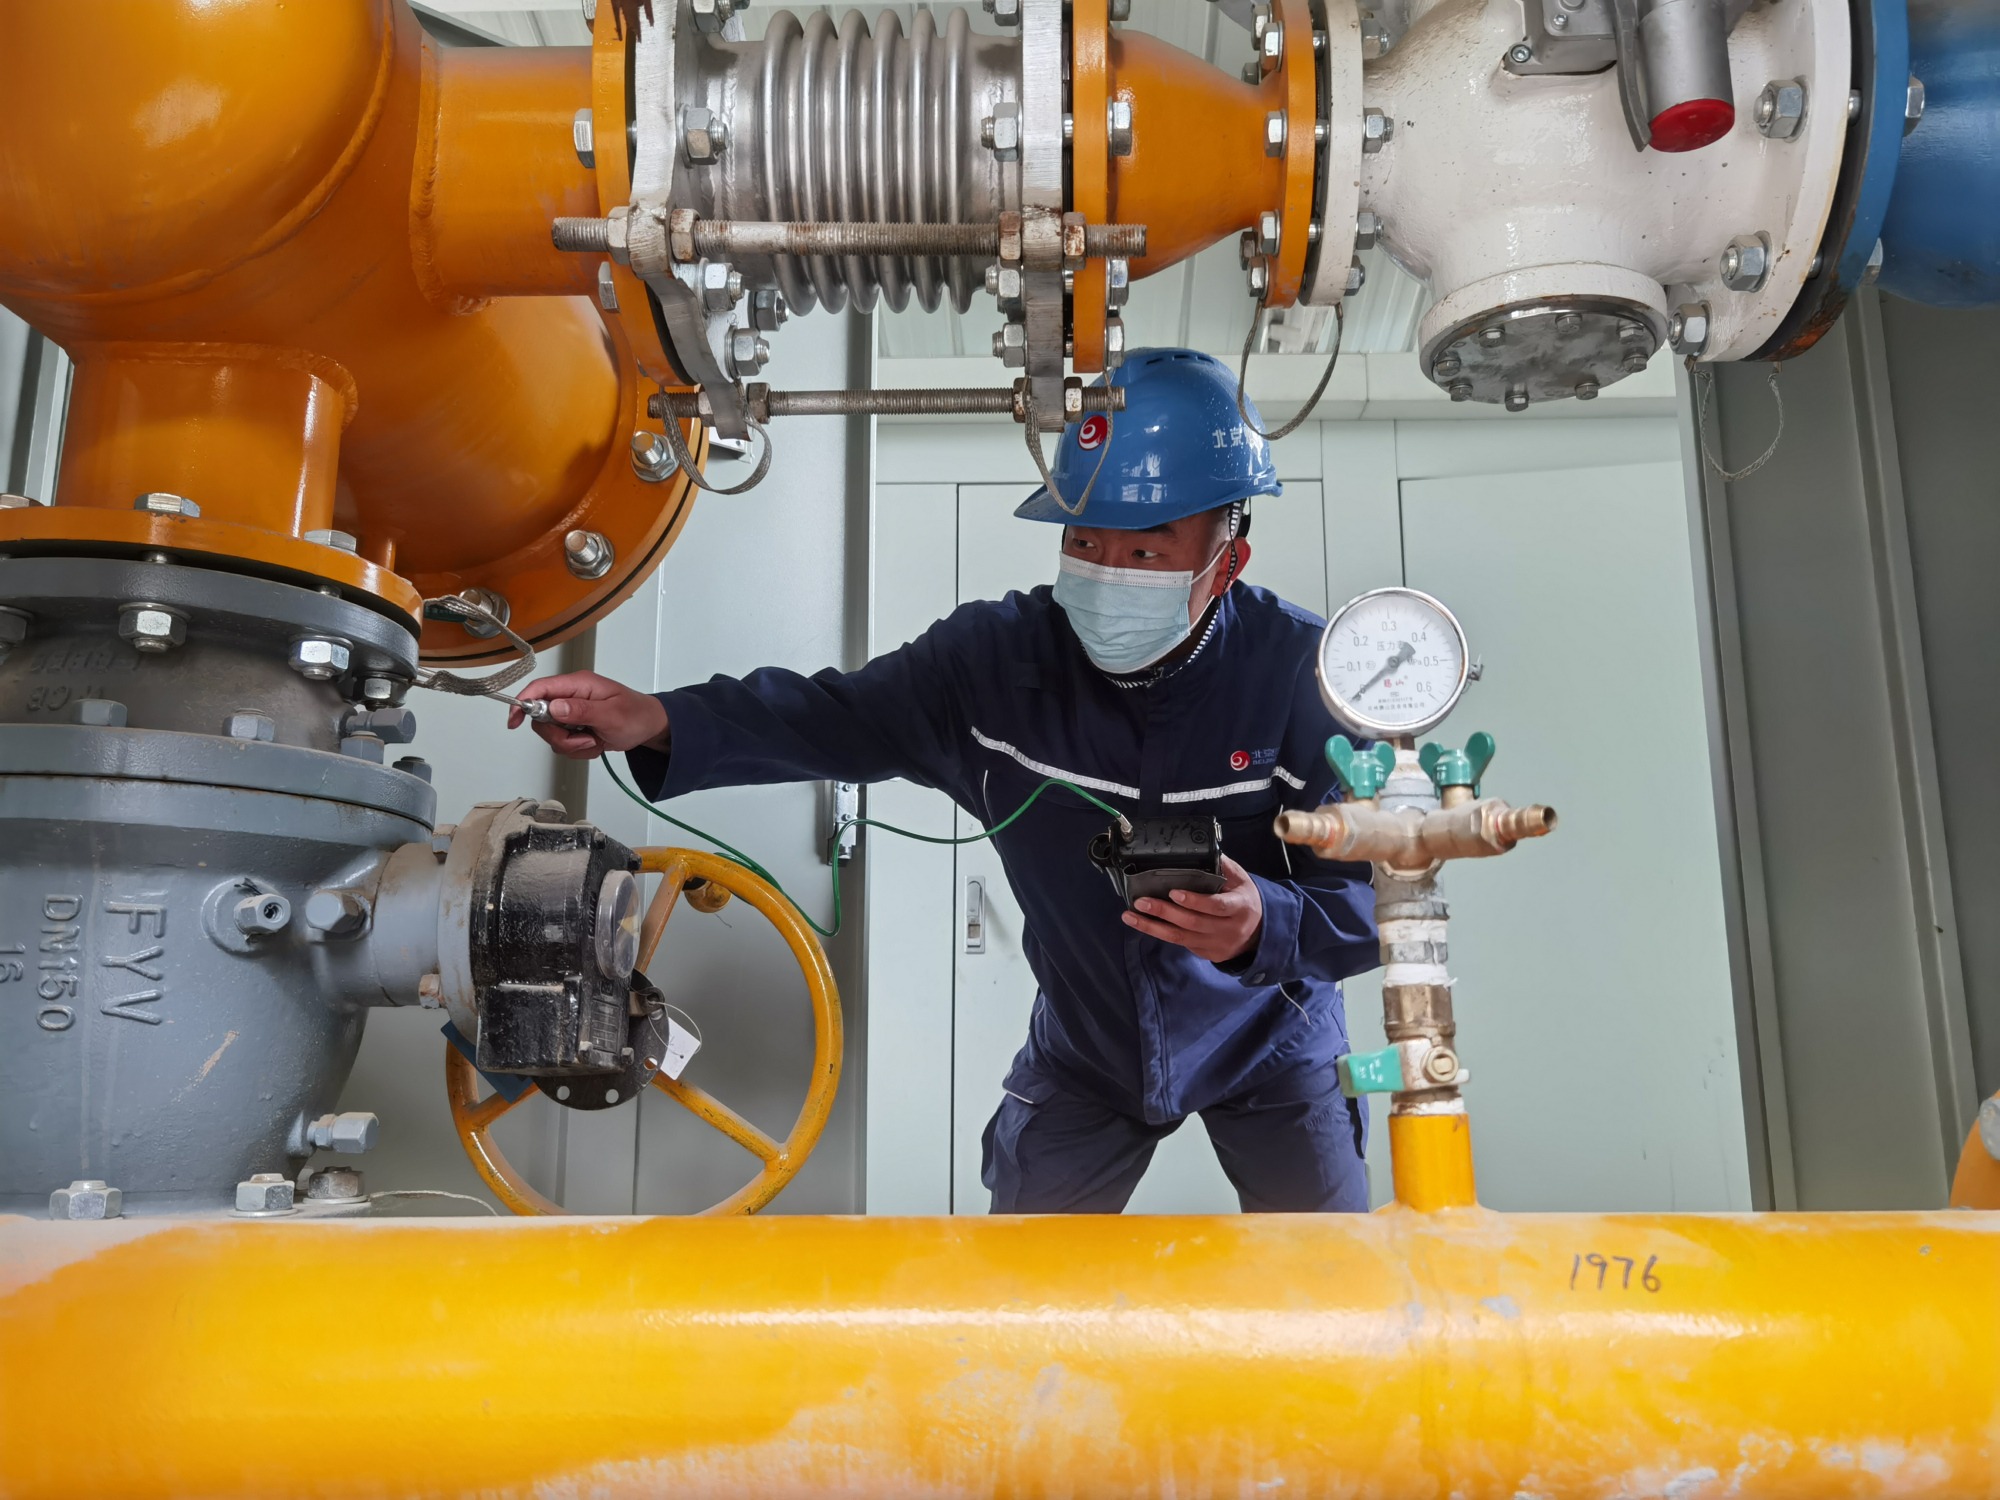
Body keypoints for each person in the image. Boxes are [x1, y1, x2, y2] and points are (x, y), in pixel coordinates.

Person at [510, 347, 1380, 1213]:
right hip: (1091, 1047)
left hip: (1273, 1039)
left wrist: (1264, 924)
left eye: (1145, 553)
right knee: (1019, 1279)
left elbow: (1376, 904)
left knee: (1330, 1272)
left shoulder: (1304, 678)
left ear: (1226, 564)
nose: (1107, 571)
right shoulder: (994, 662)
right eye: (1084, 541)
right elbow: (835, 715)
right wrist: (660, 719)